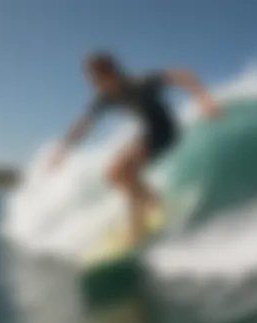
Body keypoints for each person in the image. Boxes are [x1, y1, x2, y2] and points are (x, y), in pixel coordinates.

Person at [50, 51, 221, 244]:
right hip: (146, 133)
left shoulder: (139, 83)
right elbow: (84, 124)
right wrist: (63, 150)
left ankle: (137, 225)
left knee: (124, 169)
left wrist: (205, 99)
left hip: (165, 130)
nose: (94, 84)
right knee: (113, 174)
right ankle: (153, 201)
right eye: (92, 80)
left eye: (96, 79)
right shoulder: (104, 97)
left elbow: (181, 75)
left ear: (112, 73)